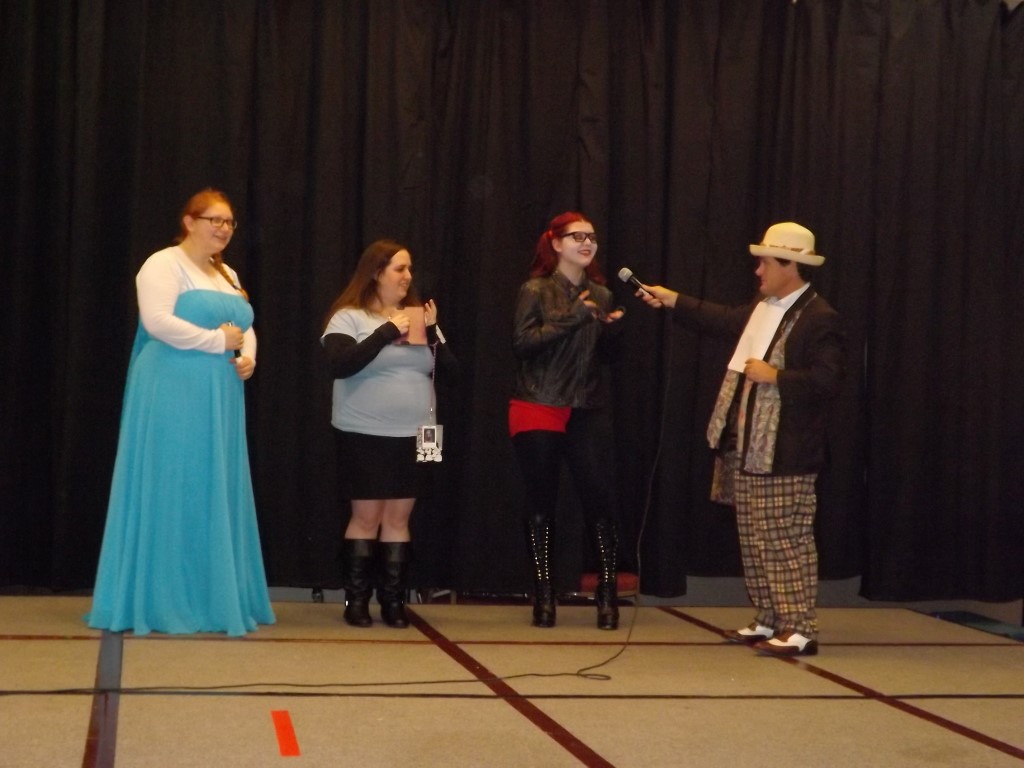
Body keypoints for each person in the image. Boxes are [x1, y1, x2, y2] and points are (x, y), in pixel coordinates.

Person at [638, 222, 845, 656]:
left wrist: (776, 376)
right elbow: (723, 319)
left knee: (785, 539)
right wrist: (672, 299)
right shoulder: (765, 307)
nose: (758, 271)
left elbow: (828, 381)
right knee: (754, 538)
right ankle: (769, 617)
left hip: (786, 452)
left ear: (791, 266)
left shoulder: (818, 317)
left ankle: (799, 626)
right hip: (749, 447)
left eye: (766, 263)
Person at [87, 188, 275, 636]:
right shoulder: (162, 264)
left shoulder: (227, 273)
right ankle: (161, 598)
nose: (224, 229)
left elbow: (245, 326)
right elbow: (157, 322)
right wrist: (216, 342)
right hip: (172, 387)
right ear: (189, 222)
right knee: (174, 481)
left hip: (220, 392)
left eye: (229, 222)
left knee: (212, 484)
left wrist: (248, 356)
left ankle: (212, 597)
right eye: (215, 220)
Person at [321, 239, 455, 628]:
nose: (408, 276)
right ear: (377, 272)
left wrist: (433, 332)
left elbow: (452, 375)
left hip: (424, 434)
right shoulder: (349, 317)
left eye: (410, 268)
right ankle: (357, 601)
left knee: (400, 518)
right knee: (366, 517)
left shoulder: (418, 318)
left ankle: (394, 602)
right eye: (400, 268)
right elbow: (341, 365)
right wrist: (385, 331)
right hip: (363, 431)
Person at [509, 212, 626, 630]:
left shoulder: (602, 294)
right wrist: (573, 318)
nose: (587, 243)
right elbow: (523, 344)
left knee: (599, 499)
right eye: (577, 236)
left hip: (586, 406)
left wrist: (612, 332)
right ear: (556, 243)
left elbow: (606, 358)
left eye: (591, 237)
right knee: (541, 501)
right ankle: (544, 595)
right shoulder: (535, 290)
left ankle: (607, 595)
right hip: (538, 402)